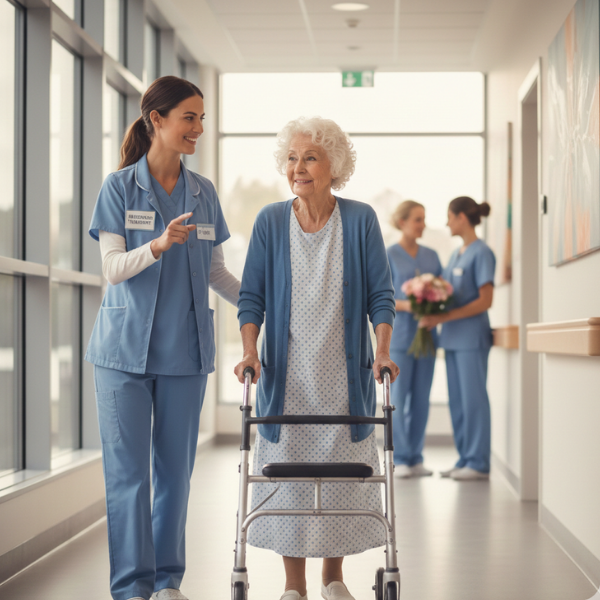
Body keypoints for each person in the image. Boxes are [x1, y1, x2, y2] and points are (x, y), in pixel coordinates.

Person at [85, 76, 240, 600]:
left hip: (185, 352)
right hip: (122, 354)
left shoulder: (203, 193)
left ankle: (168, 582)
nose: (198, 128)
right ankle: (133, 589)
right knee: (128, 478)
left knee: (175, 474)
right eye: (189, 118)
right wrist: (156, 245)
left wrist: (263, 303)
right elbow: (110, 268)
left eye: (201, 118)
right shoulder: (118, 187)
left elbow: (217, 273)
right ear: (157, 119)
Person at [234, 117, 399, 600]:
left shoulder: (361, 218)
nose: (298, 167)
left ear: (335, 167)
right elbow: (251, 297)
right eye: (291, 158)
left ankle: (333, 579)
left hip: (344, 376)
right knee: (288, 478)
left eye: (310, 157)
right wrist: (249, 350)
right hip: (286, 377)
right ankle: (293, 587)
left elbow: (381, 296)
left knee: (341, 479)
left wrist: (382, 351)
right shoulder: (269, 220)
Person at [419, 196, 495, 481]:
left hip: (471, 339)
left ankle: (478, 462)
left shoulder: (482, 252)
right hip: (450, 340)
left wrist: (443, 318)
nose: (446, 222)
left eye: (449, 216)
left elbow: (485, 300)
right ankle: (465, 459)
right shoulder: (455, 255)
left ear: (462, 217)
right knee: (458, 403)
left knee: (474, 401)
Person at [386, 201, 442, 478]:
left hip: (427, 337)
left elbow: (443, 291)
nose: (422, 225)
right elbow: (381, 296)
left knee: (422, 398)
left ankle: (416, 457)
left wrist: (434, 309)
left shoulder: (432, 256)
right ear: (403, 222)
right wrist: (409, 306)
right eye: (418, 219)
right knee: (398, 398)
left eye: (424, 219)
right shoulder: (389, 255)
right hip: (399, 338)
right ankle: (401, 458)